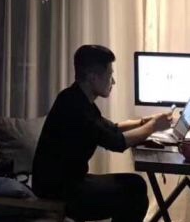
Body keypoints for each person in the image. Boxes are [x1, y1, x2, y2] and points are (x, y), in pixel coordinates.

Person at [32, 45, 173, 222]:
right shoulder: (76, 107)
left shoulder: (75, 98)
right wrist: (153, 126)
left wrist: (144, 122)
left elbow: (112, 128)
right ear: (93, 77)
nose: (113, 81)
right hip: (59, 191)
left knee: (134, 186)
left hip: (65, 183)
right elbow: (117, 142)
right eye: (109, 75)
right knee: (134, 190)